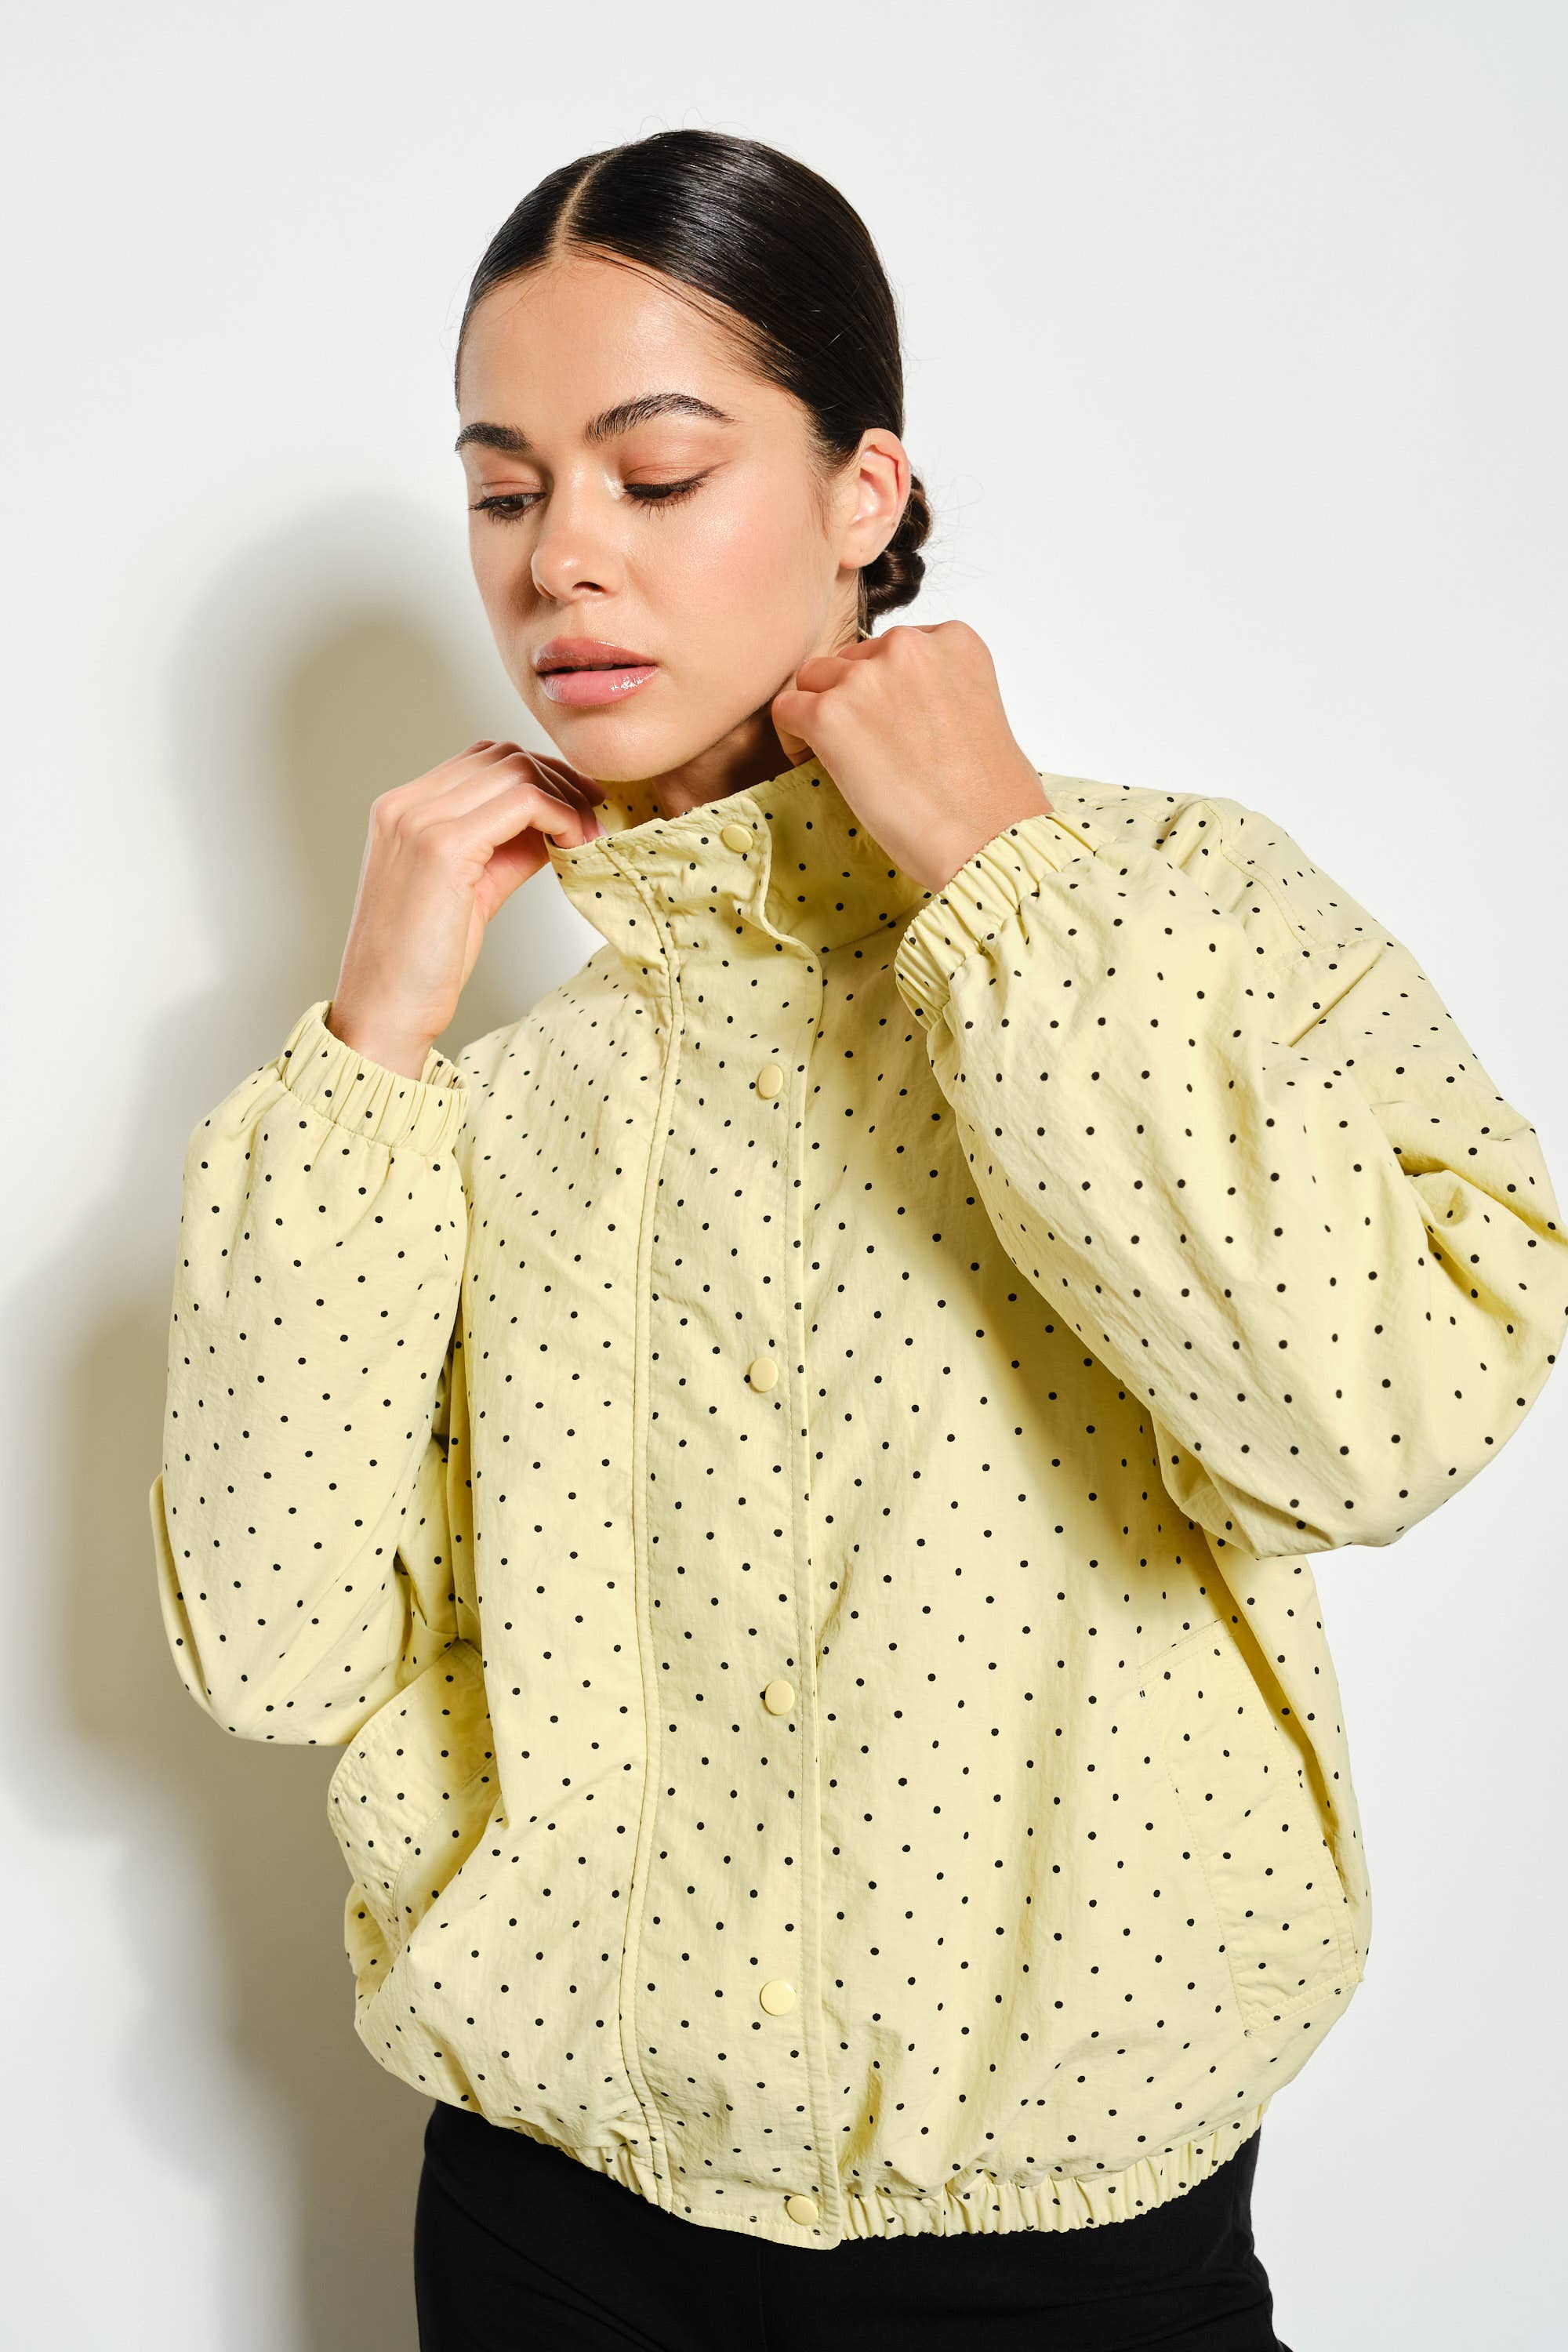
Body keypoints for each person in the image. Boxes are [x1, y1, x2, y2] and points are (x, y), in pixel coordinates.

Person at [148, 129, 1567, 2350]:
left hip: (1065, 2261)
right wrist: (371, 1040)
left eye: (657, 471)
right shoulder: (480, 1104)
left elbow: (1367, 1428)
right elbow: (274, 1647)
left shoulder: (1173, 912)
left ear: (861, 493)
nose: (562, 560)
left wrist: (998, 878)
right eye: (506, 493)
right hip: (545, 2228)